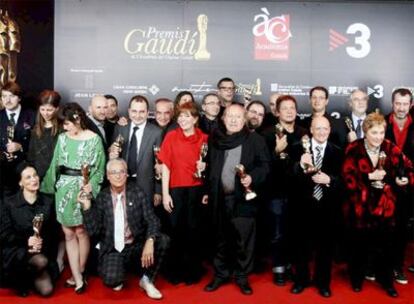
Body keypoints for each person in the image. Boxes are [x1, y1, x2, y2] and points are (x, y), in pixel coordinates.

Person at [342, 112, 413, 298]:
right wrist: (368, 177)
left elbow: (408, 168)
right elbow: (347, 178)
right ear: (365, 132)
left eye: (382, 132)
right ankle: (356, 278)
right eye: (374, 132)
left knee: (386, 247)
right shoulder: (353, 148)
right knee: (359, 246)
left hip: (385, 207)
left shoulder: (390, 147)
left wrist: (403, 179)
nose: (379, 137)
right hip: (360, 207)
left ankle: (386, 281)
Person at [203, 103, 270, 295]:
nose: (233, 120)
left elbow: (265, 167)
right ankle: (220, 274)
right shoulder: (215, 139)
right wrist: (208, 191)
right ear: (223, 119)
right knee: (220, 238)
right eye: (229, 116)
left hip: (243, 199)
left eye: (238, 117)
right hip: (219, 197)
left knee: (244, 240)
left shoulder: (255, 140)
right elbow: (210, 169)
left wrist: (252, 177)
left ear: (244, 119)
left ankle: (242, 276)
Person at [79, 158, 169, 299]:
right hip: (113, 249)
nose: (118, 175)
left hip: (136, 246)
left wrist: (150, 241)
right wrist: (87, 207)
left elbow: (153, 220)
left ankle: (146, 279)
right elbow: (93, 231)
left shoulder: (137, 192)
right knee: (112, 280)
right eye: (114, 172)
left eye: (122, 171)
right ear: (108, 176)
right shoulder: (102, 198)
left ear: (127, 174)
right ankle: (121, 270)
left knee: (162, 240)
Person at [41, 102, 105, 293]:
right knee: (68, 233)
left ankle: (80, 270)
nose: (64, 127)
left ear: (77, 119)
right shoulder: (61, 138)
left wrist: (90, 188)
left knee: (81, 232)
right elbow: (54, 165)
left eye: (67, 123)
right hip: (63, 189)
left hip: (83, 190)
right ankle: (77, 276)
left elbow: (99, 169)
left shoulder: (94, 139)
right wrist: (47, 188)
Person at [289, 116, 342, 298]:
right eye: (317, 128)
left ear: (329, 130)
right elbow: (287, 176)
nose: (321, 132)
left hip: (327, 208)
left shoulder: (337, 151)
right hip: (302, 206)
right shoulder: (296, 148)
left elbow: (345, 180)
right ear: (310, 129)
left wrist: (330, 180)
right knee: (301, 247)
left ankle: (323, 283)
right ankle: (300, 280)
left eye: (325, 128)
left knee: (325, 248)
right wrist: (300, 166)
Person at [158, 102, 208, 285]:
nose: (182, 119)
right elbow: (166, 167)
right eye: (180, 116)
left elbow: (210, 169)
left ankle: (192, 271)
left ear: (195, 119)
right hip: (175, 190)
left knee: (194, 231)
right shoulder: (171, 137)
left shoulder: (205, 138)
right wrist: (165, 194)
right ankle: (174, 270)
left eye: (187, 116)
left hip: (197, 190)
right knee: (175, 231)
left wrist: (206, 167)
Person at [262, 95, 307, 286]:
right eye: (285, 108)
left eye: (292, 108)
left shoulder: (305, 133)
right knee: (278, 232)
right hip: (276, 191)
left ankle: (291, 266)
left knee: (296, 231)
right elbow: (262, 166)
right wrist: (276, 152)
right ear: (277, 112)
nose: (289, 111)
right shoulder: (267, 134)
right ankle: (279, 267)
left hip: (299, 191)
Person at [1, 164, 59, 297]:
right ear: (20, 182)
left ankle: (27, 279)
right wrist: (27, 241)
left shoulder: (48, 201)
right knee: (40, 261)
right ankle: (19, 279)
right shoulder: (9, 203)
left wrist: (42, 242)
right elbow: (4, 233)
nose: (34, 179)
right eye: (28, 177)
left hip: (41, 251)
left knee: (47, 291)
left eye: (35, 175)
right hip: (17, 251)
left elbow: (54, 232)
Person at [109, 95, 162, 207]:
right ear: (128, 111)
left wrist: (158, 191)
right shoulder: (120, 128)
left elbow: (160, 163)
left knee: (145, 219)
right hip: (122, 182)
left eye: (142, 112)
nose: (137, 115)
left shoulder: (156, 133)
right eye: (134, 111)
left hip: (146, 186)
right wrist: (111, 154)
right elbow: (113, 153)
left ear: (148, 113)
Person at [384, 88, 414, 285]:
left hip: (410, 186)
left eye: (405, 104)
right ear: (392, 103)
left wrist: (409, 178)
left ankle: (397, 266)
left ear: (411, 105)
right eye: (398, 103)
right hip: (385, 184)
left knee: (402, 228)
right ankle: (378, 266)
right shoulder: (380, 123)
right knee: (381, 228)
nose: (401, 108)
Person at [0, 81, 35, 198]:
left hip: (25, 169)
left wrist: (20, 146)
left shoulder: (32, 115)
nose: (7, 100)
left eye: (12, 96)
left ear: (19, 98)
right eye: (4, 96)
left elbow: (38, 143)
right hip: (3, 172)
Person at [27, 90, 61, 180]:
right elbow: (31, 155)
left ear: (57, 108)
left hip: (57, 176)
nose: (45, 113)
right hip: (39, 177)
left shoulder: (63, 128)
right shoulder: (35, 129)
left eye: (49, 110)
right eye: (42, 109)